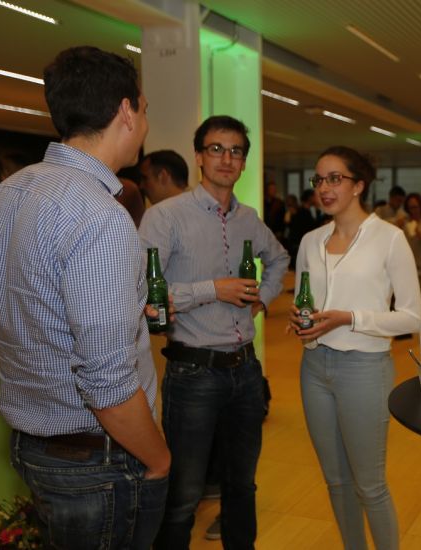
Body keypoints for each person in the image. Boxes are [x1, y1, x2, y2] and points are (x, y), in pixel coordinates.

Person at [0, 46, 170, 549]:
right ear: (126, 111)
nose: (146, 123)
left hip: (33, 449)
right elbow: (107, 382)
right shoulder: (99, 215)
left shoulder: (7, 193)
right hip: (97, 462)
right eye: (145, 109)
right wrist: (159, 458)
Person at [140, 115, 289, 549]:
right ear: (199, 157)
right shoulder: (166, 217)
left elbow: (279, 259)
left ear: (244, 162)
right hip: (194, 373)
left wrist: (262, 298)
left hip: (246, 371)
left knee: (242, 486)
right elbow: (142, 290)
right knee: (184, 495)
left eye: (236, 151)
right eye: (216, 149)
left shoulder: (249, 218)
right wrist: (213, 290)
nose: (226, 158)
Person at [289, 146, 421, 549]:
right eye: (319, 180)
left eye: (335, 179)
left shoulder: (389, 239)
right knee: (336, 481)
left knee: (369, 485)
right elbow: (304, 301)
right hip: (314, 368)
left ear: (359, 185)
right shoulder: (311, 241)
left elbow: (412, 317)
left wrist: (351, 318)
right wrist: (301, 321)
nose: (324, 188)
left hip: (364, 369)